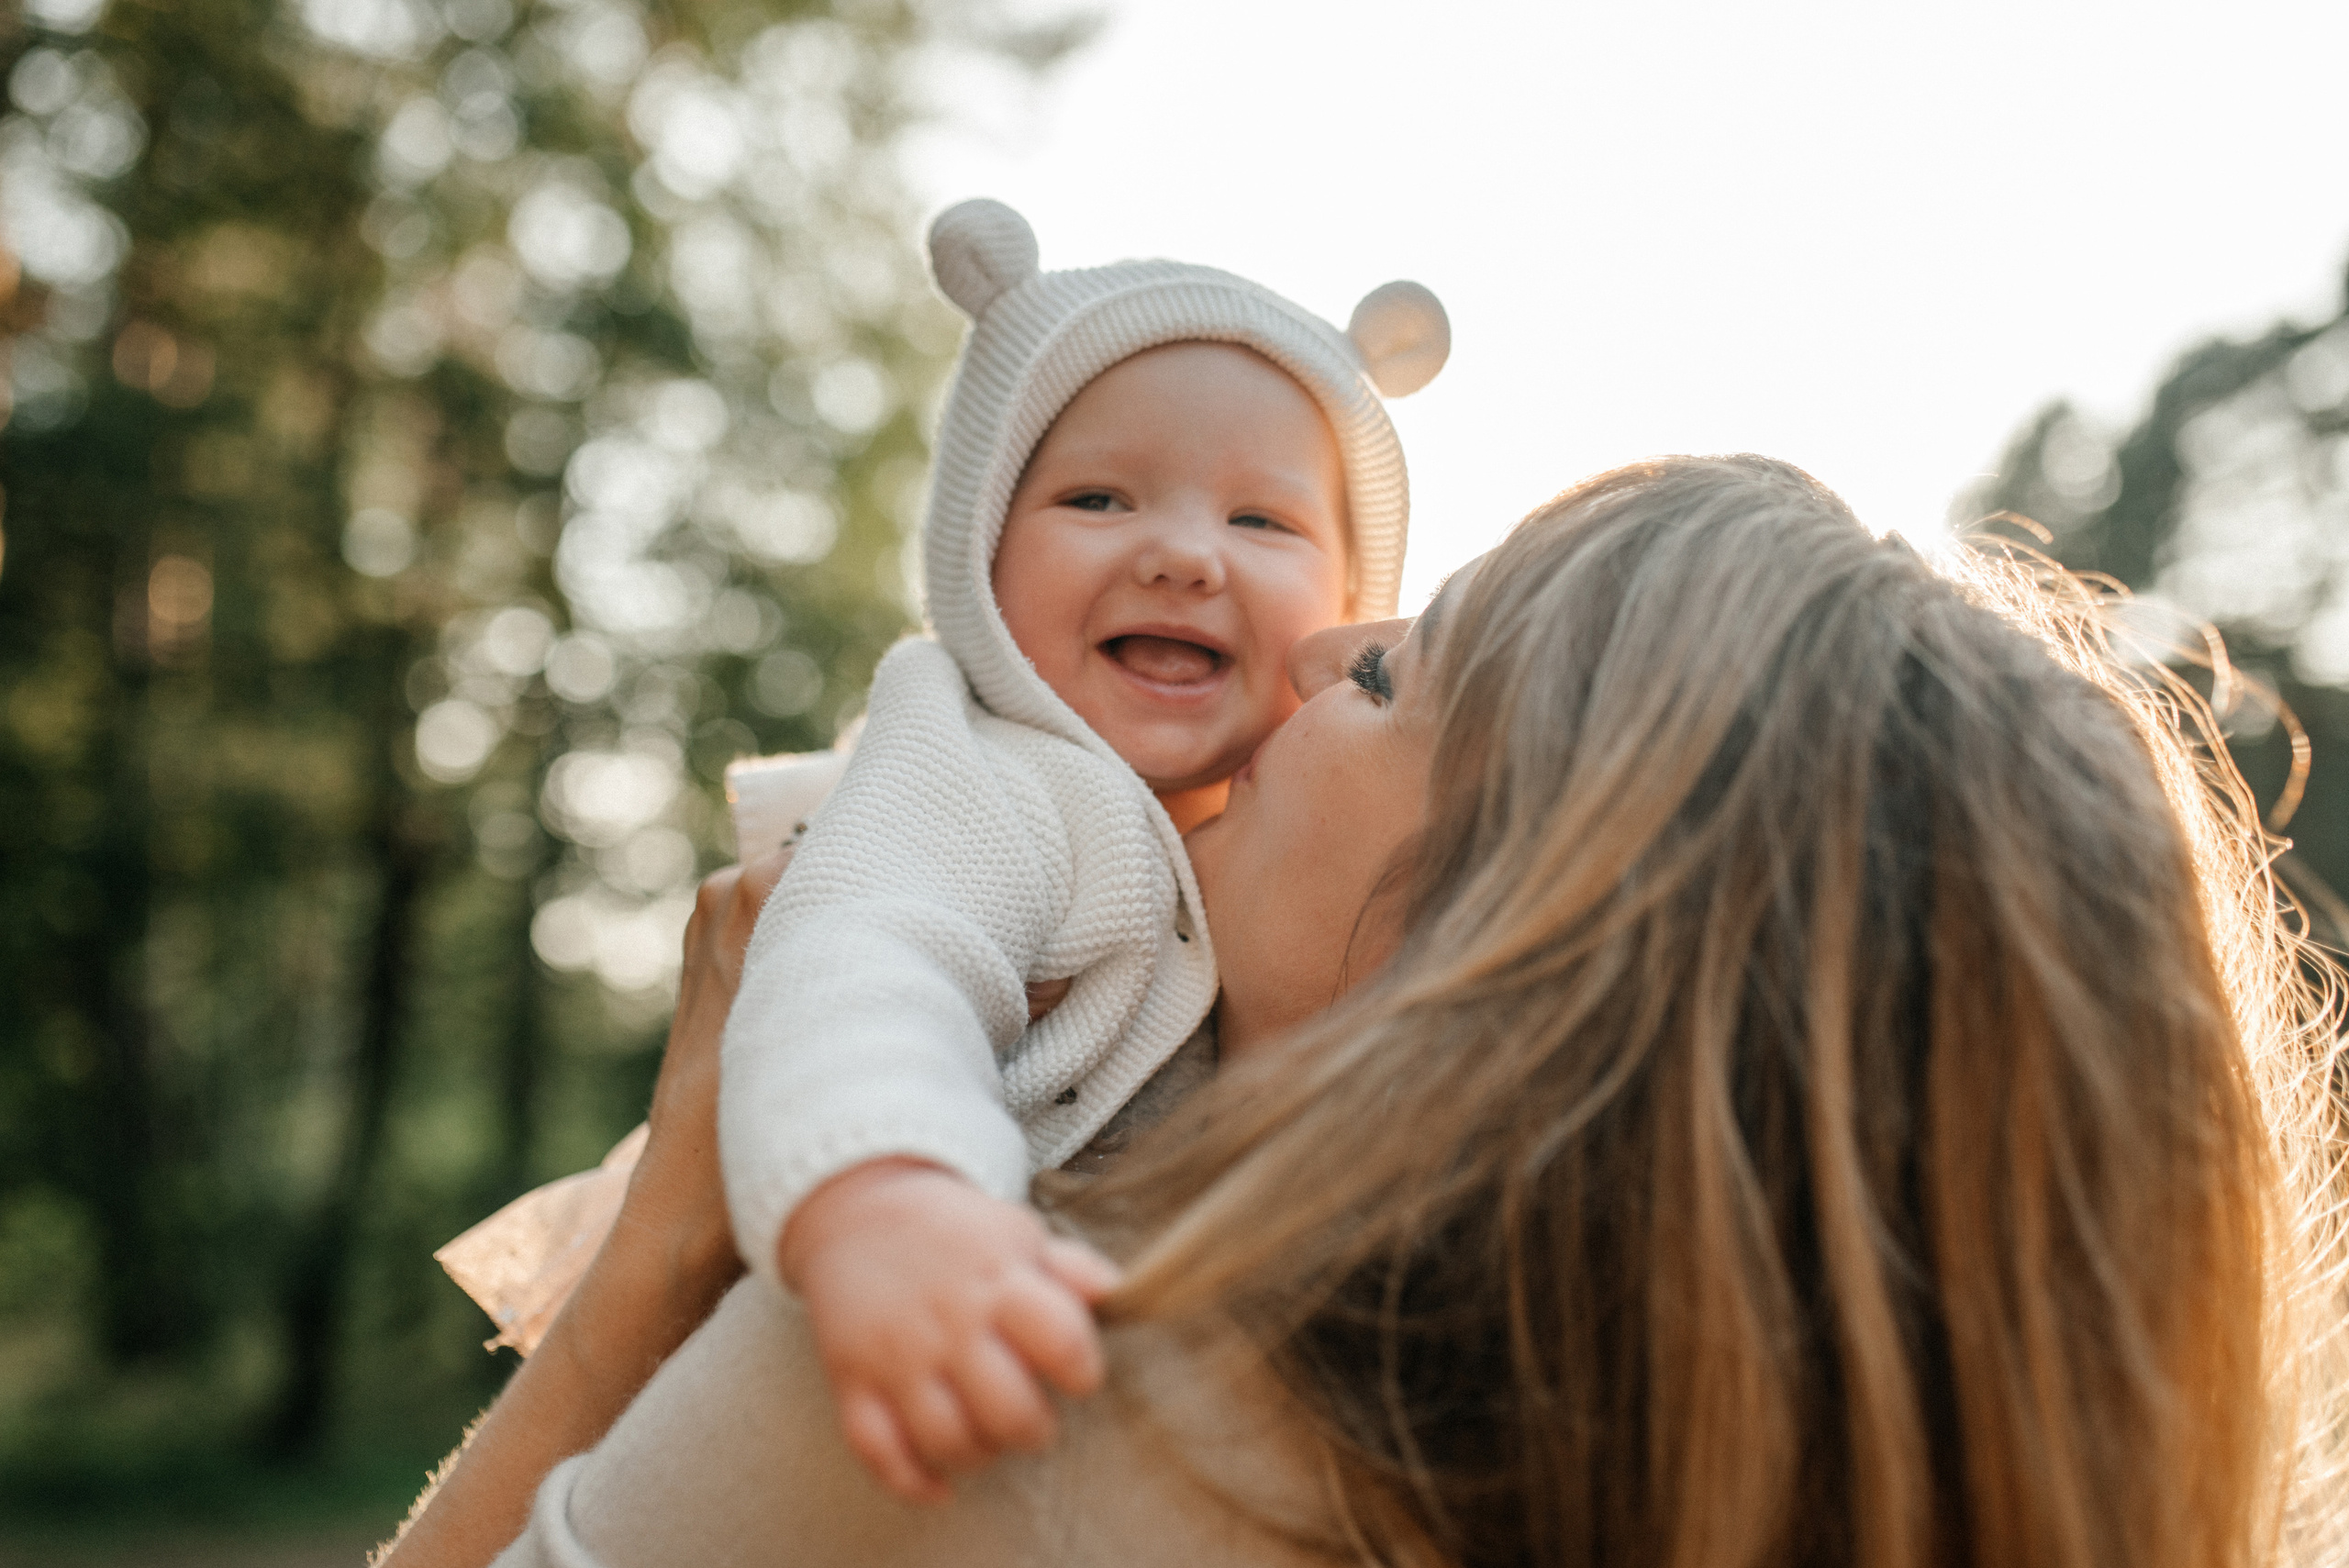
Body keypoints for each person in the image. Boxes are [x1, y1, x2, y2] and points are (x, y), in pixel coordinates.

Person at [384, 456, 2349, 1568]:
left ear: (1515, 959)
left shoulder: (991, 1388)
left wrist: (661, 1273)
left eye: (1402, 680)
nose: (1316, 636)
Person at [719, 196, 1451, 1497]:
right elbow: (869, 958)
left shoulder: (1301, 848)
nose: (1180, 554)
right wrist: (887, 1190)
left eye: (1262, 521)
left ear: (1352, 607)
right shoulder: (991, 774)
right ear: (978, 550)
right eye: (1099, 496)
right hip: (896, 1298)